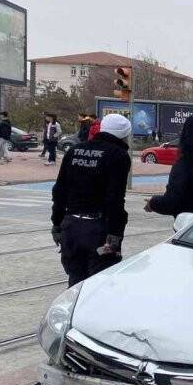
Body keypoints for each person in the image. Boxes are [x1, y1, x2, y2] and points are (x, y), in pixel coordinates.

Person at [51, 114, 133, 287]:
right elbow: (115, 198)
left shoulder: (75, 150)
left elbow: (59, 190)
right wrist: (115, 232)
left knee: (75, 281)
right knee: (99, 284)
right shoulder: (118, 155)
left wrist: (57, 223)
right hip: (98, 228)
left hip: (70, 226)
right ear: (124, 135)